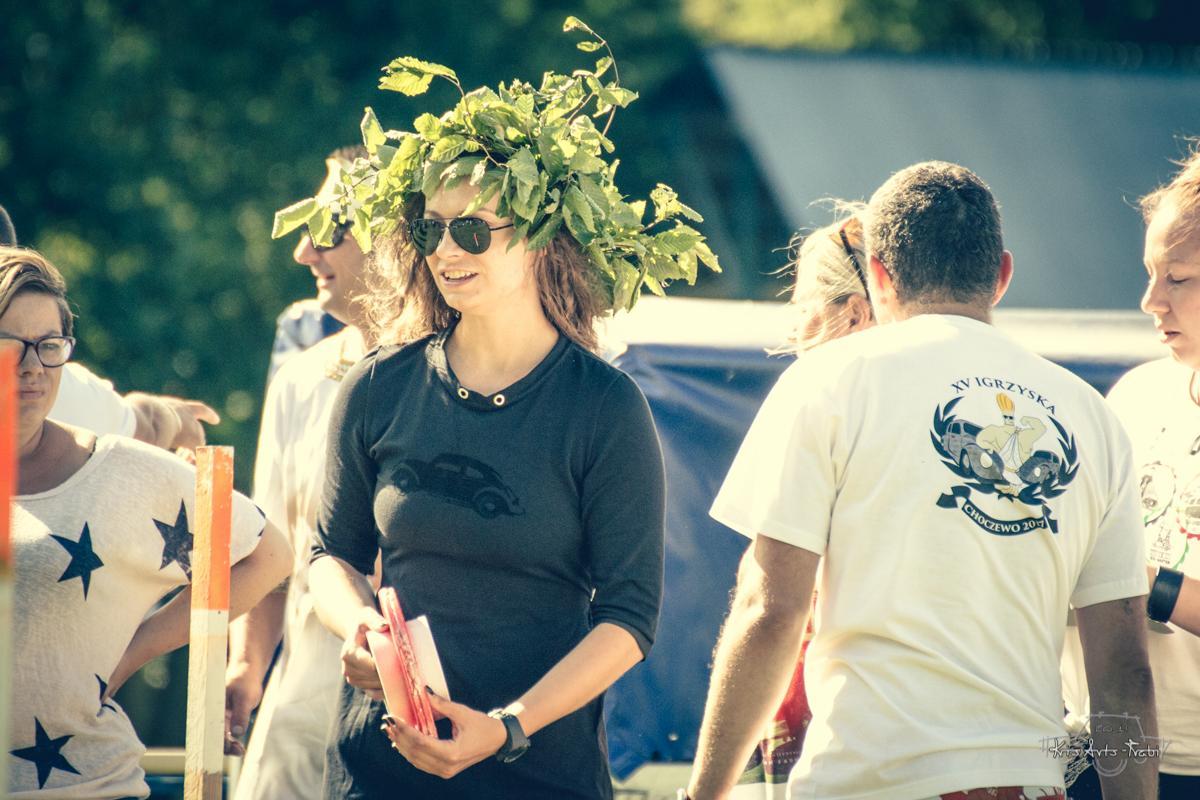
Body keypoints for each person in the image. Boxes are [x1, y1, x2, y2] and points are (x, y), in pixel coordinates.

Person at [297, 29, 724, 797]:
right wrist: (359, 626)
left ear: (539, 237)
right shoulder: (377, 386)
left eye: (471, 230)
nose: (444, 250)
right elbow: (329, 553)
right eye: (430, 228)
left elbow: (628, 619)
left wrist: (507, 728)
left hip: (538, 774)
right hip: (381, 768)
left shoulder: (604, 407)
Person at [686, 161, 1157, 800]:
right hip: (1028, 782)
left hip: (869, 781)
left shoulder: (829, 380)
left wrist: (703, 794)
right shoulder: (1091, 416)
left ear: (879, 274)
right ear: (1002, 275)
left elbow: (770, 612)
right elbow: (1124, 669)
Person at [3, 245, 291, 797]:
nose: (33, 366)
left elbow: (269, 554)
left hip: (89, 786)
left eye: (50, 346)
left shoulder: (117, 469)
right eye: (12, 343)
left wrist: (134, 650)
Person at [225, 147, 373, 799]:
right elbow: (272, 551)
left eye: (330, 228)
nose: (304, 251)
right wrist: (245, 666)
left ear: (394, 233)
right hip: (299, 723)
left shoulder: (463, 377)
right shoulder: (300, 378)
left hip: (425, 729)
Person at [1062, 142, 1200, 800]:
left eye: (1179, 278)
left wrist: (1139, 585)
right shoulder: (1135, 395)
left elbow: (1124, 577)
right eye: (1149, 274)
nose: (1151, 300)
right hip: (1095, 751)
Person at [735, 213, 873, 799]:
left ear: (854, 313)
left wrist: (705, 789)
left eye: (804, 306)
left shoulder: (819, 394)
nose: (795, 327)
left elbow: (767, 610)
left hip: (832, 732)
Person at [0, 201, 220, 450]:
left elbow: (143, 425)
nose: (32, 366)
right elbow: (148, 426)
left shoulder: (51, 383)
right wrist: (175, 419)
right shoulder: (52, 387)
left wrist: (173, 419)